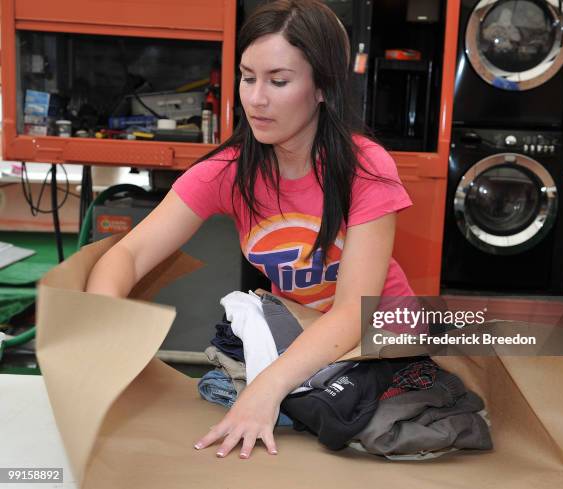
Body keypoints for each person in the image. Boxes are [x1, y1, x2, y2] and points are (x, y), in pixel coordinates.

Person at [86, 0, 414, 459]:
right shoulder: (230, 170)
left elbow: (351, 313)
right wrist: (101, 327)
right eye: (247, 77)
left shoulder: (365, 167)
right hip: (305, 333)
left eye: (279, 81)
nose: (256, 98)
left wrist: (267, 387)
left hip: (381, 339)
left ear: (322, 87)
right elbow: (129, 255)